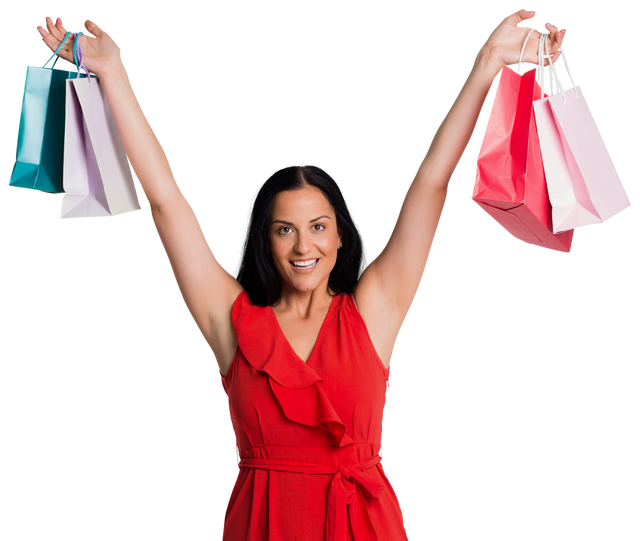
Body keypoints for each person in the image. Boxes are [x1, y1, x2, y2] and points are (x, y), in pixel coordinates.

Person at [35, 7, 569, 540]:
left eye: (318, 226)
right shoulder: (231, 321)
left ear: (341, 234)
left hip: (365, 525)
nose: (303, 246)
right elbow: (166, 201)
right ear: (265, 239)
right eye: (284, 229)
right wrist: (115, 73)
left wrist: (486, 63)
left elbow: (433, 182)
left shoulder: (373, 311)